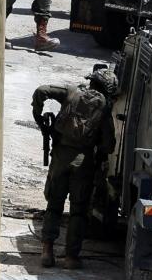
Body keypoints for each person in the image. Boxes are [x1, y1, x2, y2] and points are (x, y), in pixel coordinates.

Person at [33, 67, 118, 269]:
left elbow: (42, 90)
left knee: (54, 205)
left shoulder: (71, 91)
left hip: (61, 157)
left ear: (92, 81)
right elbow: (108, 144)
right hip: (84, 162)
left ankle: (47, 252)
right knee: (78, 211)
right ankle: (71, 257)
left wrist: (38, 116)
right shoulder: (105, 106)